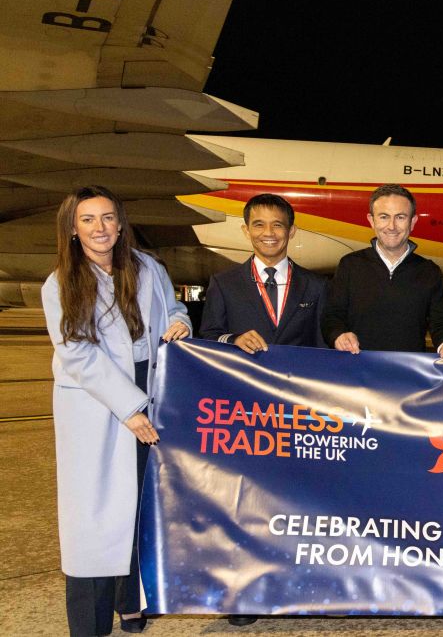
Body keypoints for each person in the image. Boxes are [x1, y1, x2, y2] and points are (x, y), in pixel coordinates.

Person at [42, 186, 191, 636]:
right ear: (73, 228)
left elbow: (174, 308)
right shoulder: (61, 282)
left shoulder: (148, 267)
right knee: (94, 517)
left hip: (150, 387)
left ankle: (131, 603)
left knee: (141, 504)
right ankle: (89, 625)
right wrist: (130, 409)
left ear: (121, 223)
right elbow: (78, 353)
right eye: (88, 219)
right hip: (98, 402)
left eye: (107, 217)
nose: (100, 228)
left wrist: (179, 321)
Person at [322, 184, 443, 356]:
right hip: (357, 366)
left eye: (400, 217)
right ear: (372, 221)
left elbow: (440, 321)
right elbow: (332, 315)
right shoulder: (350, 265)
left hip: (408, 369)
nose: (392, 226)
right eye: (384, 217)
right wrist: (338, 335)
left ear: (412, 222)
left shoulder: (429, 271)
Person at [199, 193, 326, 353]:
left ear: (291, 231)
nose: (268, 233)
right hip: (244, 369)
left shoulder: (316, 286)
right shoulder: (223, 284)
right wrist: (234, 340)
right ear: (246, 231)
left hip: (297, 369)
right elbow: (208, 336)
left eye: (277, 225)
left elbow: (323, 345)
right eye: (259, 225)